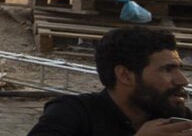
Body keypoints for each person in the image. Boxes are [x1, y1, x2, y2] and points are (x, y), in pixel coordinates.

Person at [27, 26, 192, 134]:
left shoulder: (176, 118)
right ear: (125, 75)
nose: (183, 80)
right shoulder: (73, 113)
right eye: (167, 69)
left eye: (179, 68)